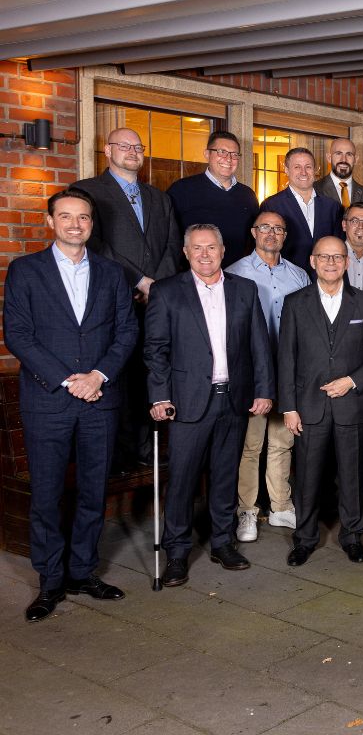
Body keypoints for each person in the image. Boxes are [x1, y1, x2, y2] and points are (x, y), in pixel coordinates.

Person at [4, 189, 138, 622]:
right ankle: (50, 581)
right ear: (51, 222)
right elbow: (19, 335)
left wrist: (98, 376)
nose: (75, 224)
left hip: (100, 398)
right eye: (66, 216)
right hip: (49, 400)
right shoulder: (25, 271)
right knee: (46, 495)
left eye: (83, 217)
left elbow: (126, 332)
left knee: (93, 492)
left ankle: (82, 572)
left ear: (92, 224)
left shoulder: (113, 274)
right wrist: (69, 381)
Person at [145, 224, 274, 587]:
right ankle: (177, 553)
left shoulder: (245, 290)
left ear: (222, 250)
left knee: (225, 476)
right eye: (197, 248)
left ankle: (222, 542)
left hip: (233, 399)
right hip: (186, 402)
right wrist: (160, 395)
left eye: (211, 248)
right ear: (186, 253)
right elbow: (155, 350)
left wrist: (264, 391)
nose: (205, 254)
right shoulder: (167, 292)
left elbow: (258, 346)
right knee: (183, 481)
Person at [71, 127, 181, 470]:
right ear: (107, 150)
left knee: (153, 372)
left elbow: (172, 245)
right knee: (117, 374)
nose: (132, 151)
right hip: (115, 300)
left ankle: (149, 452)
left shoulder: (159, 197)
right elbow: (96, 245)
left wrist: (158, 286)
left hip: (156, 303)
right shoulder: (87, 192)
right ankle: (118, 457)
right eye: (124, 146)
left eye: (138, 147)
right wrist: (139, 280)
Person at [278, 236, 363, 567]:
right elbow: (286, 357)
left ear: (347, 262)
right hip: (308, 406)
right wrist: (288, 406)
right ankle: (304, 539)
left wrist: (352, 381)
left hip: (351, 405)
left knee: (352, 476)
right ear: (312, 262)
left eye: (337, 257)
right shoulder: (295, 303)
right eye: (324, 257)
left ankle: (353, 536)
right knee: (308, 478)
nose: (331, 263)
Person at [226, 210, 310, 542]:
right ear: (253, 232)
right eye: (265, 228)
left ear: (285, 235)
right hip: (252, 372)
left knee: (282, 442)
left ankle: (280, 506)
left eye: (278, 229)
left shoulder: (299, 275)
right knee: (251, 445)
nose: (271, 234)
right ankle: (247, 510)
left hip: (288, 369)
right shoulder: (234, 272)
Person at [166, 130, 258, 265]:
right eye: (222, 152)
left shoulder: (248, 195)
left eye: (234, 155)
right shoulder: (182, 190)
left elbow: (254, 240)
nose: (228, 159)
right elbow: (166, 238)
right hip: (193, 278)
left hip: (237, 277)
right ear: (207, 154)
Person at [261, 147, 343, 273]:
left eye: (308, 167)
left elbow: (339, 248)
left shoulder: (332, 207)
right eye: (297, 167)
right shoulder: (272, 205)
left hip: (324, 280)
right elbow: (264, 249)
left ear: (315, 170)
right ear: (287, 170)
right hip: (287, 280)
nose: (303, 172)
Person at [315, 137, 363, 210]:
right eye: (338, 154)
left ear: (355, 160)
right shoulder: (314, 190)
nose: (344, 160)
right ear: (329, 158)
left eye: (349, 154)